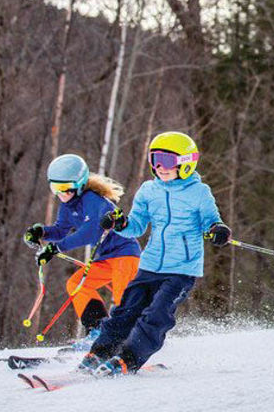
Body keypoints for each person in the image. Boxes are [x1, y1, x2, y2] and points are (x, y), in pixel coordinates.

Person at [78, 131, 231, 376]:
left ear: (186, 162)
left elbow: (210, 221)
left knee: (157, 313)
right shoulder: (149, 190)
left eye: (167, 161)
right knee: (126, 310)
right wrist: (119, 223)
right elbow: (136, 226)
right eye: (155, 159)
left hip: (181, 269)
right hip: (150, 266)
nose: (160, 167)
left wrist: (217, 230)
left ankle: (129, 358)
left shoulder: (199, 192)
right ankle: (100, 352)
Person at [24, 154, 141, 349]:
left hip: (125, 254)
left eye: (64, 188)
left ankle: (131, 343)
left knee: (122, 299)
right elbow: (60, 230)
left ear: (79, 184)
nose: (61, 194)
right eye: (55, 188)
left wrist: (57, 247)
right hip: (106, 258)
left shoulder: (92, 200)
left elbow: (91, 232)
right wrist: (42, 232)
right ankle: (97, 330)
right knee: (77, 283)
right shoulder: (68, 206)